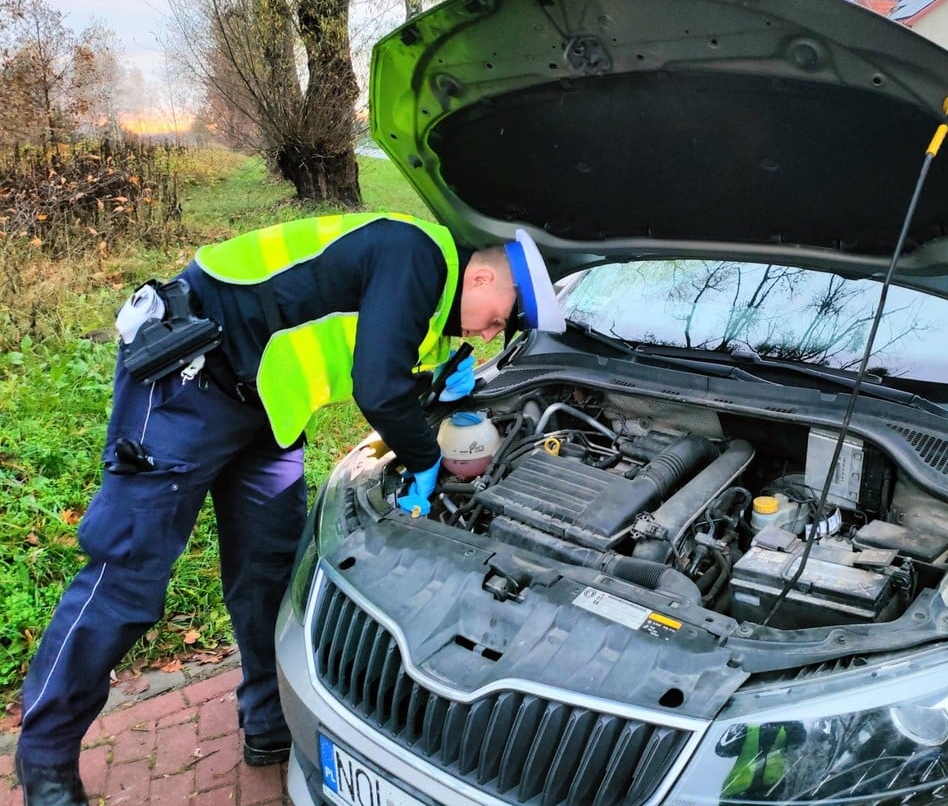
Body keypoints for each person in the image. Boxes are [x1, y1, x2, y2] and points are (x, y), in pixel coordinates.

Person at [14, 212, 564, 806]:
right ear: (483, 279)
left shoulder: (429, 294)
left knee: (270, 570)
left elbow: (369, 343)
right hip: (187, 381)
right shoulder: (419, 254)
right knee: (126, 575)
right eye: (499, 320)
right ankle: (43, 754)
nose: (488, 336)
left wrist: (436, 377)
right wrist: (425, 457)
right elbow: (376, 386)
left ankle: (270, 721)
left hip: (267, 407)